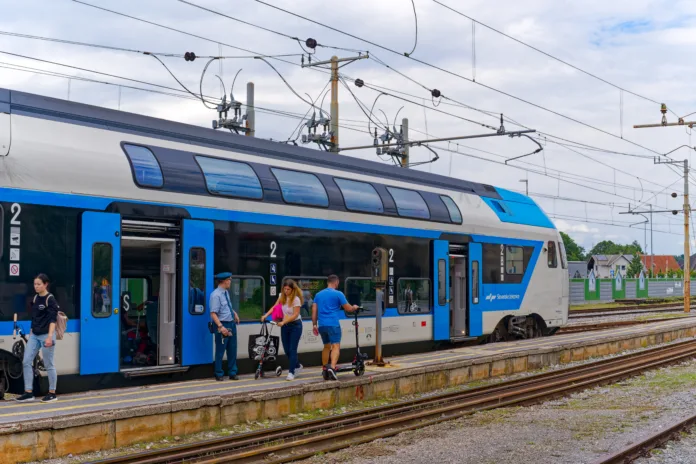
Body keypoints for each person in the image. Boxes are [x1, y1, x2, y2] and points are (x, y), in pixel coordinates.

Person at [15, 274, 59, 403]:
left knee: (49, 364)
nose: (36, 286)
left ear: (46, 284)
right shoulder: (35, 298)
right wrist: (30, 333)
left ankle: (52, 393)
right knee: (26, 361)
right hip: (34, 334)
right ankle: (28, 392)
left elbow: (53, 320)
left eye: (39, 284)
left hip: (46, 335)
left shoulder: (50, 299)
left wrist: (50, 337)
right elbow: (34, 318)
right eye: (35, 284)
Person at [311, 274, 358, 380]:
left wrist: (314, 325)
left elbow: (314, 311)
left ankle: (324, 368)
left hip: (322, 325)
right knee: (335, 346)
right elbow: (348, 308)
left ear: (328, 282)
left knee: (326, 347)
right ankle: (332, 368)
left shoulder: (318, 295)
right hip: (333, 324)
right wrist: (354, 307)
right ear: (336, 282)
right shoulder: (338, 294)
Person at [261, 279, 304, 381]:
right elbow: (275, 307)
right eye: (284, 289)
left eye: (288, 289)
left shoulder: (296, 299)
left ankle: (291, 372)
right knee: (286, 349)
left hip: (295, 325)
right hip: (285, 325)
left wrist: (284, 322)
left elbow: (295, 315)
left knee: (293, 349)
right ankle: (297, 366)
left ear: (293, 290)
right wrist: (266, 315)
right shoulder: (282, 296)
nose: (286, 291)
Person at [210, 272, 240, 381]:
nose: (230, 282)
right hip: (222, 324)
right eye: (229, 280)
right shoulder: (215, 295)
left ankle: (232, 372)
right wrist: (220, 326)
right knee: (220, 350)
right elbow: (213, 313)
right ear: (225, 281)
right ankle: (218, 373)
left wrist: (234, 313)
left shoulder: (225, 293)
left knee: (232, 349)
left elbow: (226, 307)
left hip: (231, 323)